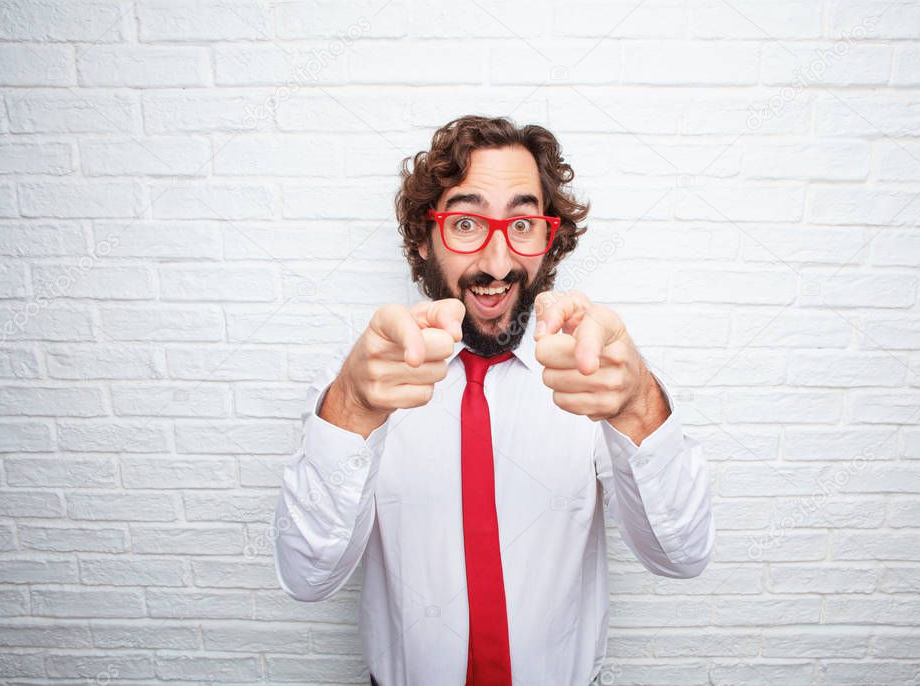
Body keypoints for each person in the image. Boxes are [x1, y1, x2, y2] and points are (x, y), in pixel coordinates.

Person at [272, 115, 715, 685]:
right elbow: (307, 579)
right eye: (465, 223)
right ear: (424, 238)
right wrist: (352, 412)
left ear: (549, 238)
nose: (499, 263)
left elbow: (682, 558)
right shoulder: (366, 381)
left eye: (522, 224)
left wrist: (639, 409)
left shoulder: (596, 374)